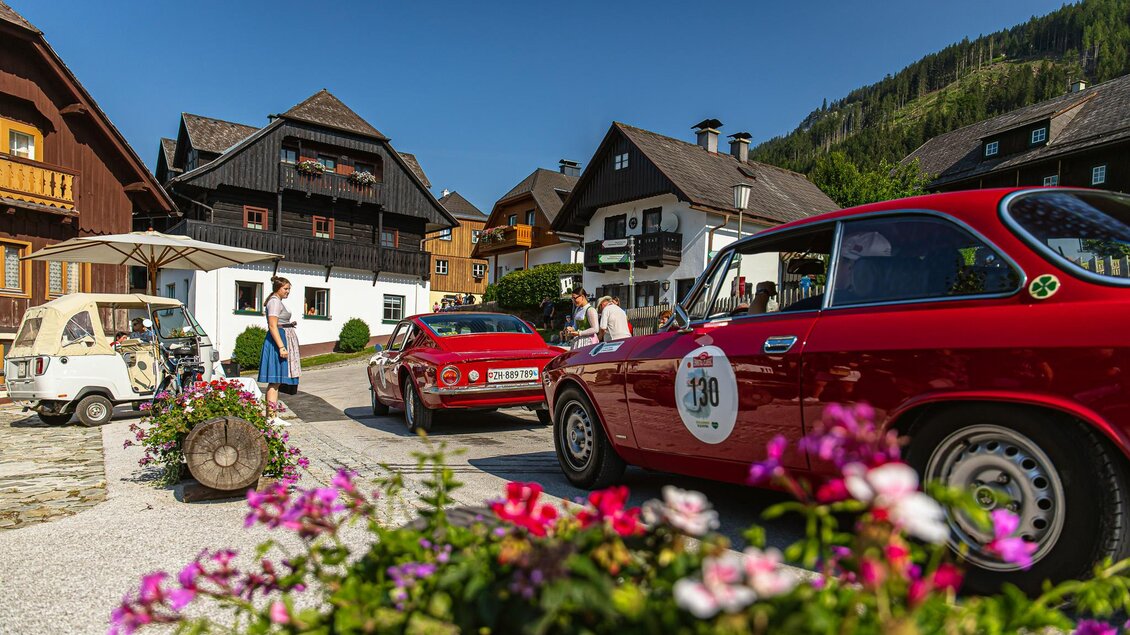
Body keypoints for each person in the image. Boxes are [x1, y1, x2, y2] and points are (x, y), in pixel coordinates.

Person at [258, 276, 300, 426]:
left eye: (289, 289)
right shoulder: (274, 302)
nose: (288, 291)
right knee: (275, 380)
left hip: (282, 338)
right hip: (278, 341)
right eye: (285, 288)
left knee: (277, 381)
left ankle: (273, 415)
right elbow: (272, 325)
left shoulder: (277, 301)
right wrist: (281, 346)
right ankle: (271, 416)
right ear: (278, 288)